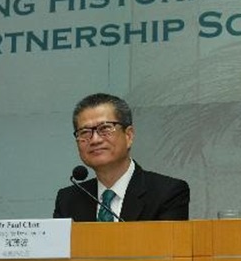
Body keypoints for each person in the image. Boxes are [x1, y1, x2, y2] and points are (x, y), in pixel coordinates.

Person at [53, 93, 190, 221]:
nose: (95, 140)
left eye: (105, 128)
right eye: (84, 132)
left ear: (128, 135)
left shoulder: (167, 193)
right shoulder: (68, 200)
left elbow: (168, 245)